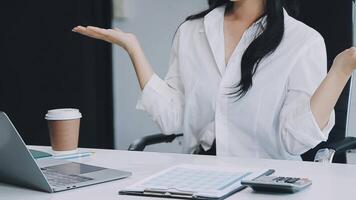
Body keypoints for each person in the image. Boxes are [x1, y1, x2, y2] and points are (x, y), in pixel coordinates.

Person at [73, 0, 356, 160]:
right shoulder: (192, 30)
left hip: (265, 181)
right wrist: (133, 48)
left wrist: (341, 69)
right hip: (199, 174)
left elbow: (294, 141)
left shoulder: (303, 41)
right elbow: (173, 118)